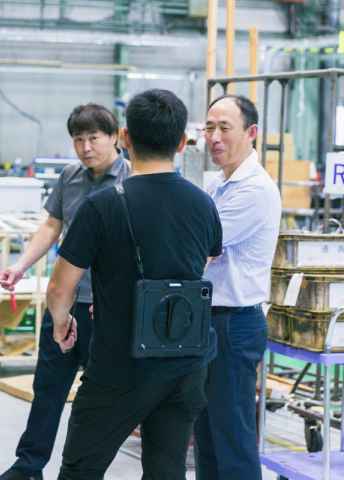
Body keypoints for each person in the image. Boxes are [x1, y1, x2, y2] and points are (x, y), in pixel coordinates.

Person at [48, 89, 222, 479]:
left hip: (120, 367)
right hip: (187, 364)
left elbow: (60, 287)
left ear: (124, 138)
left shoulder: (102, 205)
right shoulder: (204, 204)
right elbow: (198, 264)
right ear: (182, 141)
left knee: (80, 470)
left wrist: (63, 323)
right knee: (167, 471)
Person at [0, 103, 130, 480]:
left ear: (114, 137)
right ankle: (28, 467)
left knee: (100, 397)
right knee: (48, 388)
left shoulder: (132, 178)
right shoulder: (70, 176)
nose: (86, 147)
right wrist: (20, 266)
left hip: (107, 309)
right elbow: (52, 226)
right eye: (78, 139)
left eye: (94, 138)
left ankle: (84, 471)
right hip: (63, 304)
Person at [194, 94, 281, 480]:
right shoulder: (218, 184)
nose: (214, 137)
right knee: (207, 436)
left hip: (235, 324)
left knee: (232, 438)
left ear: (251, 133)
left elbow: (202, 243)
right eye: (209, 128)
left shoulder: (254, 189)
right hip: (211, 320)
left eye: (225, 128)